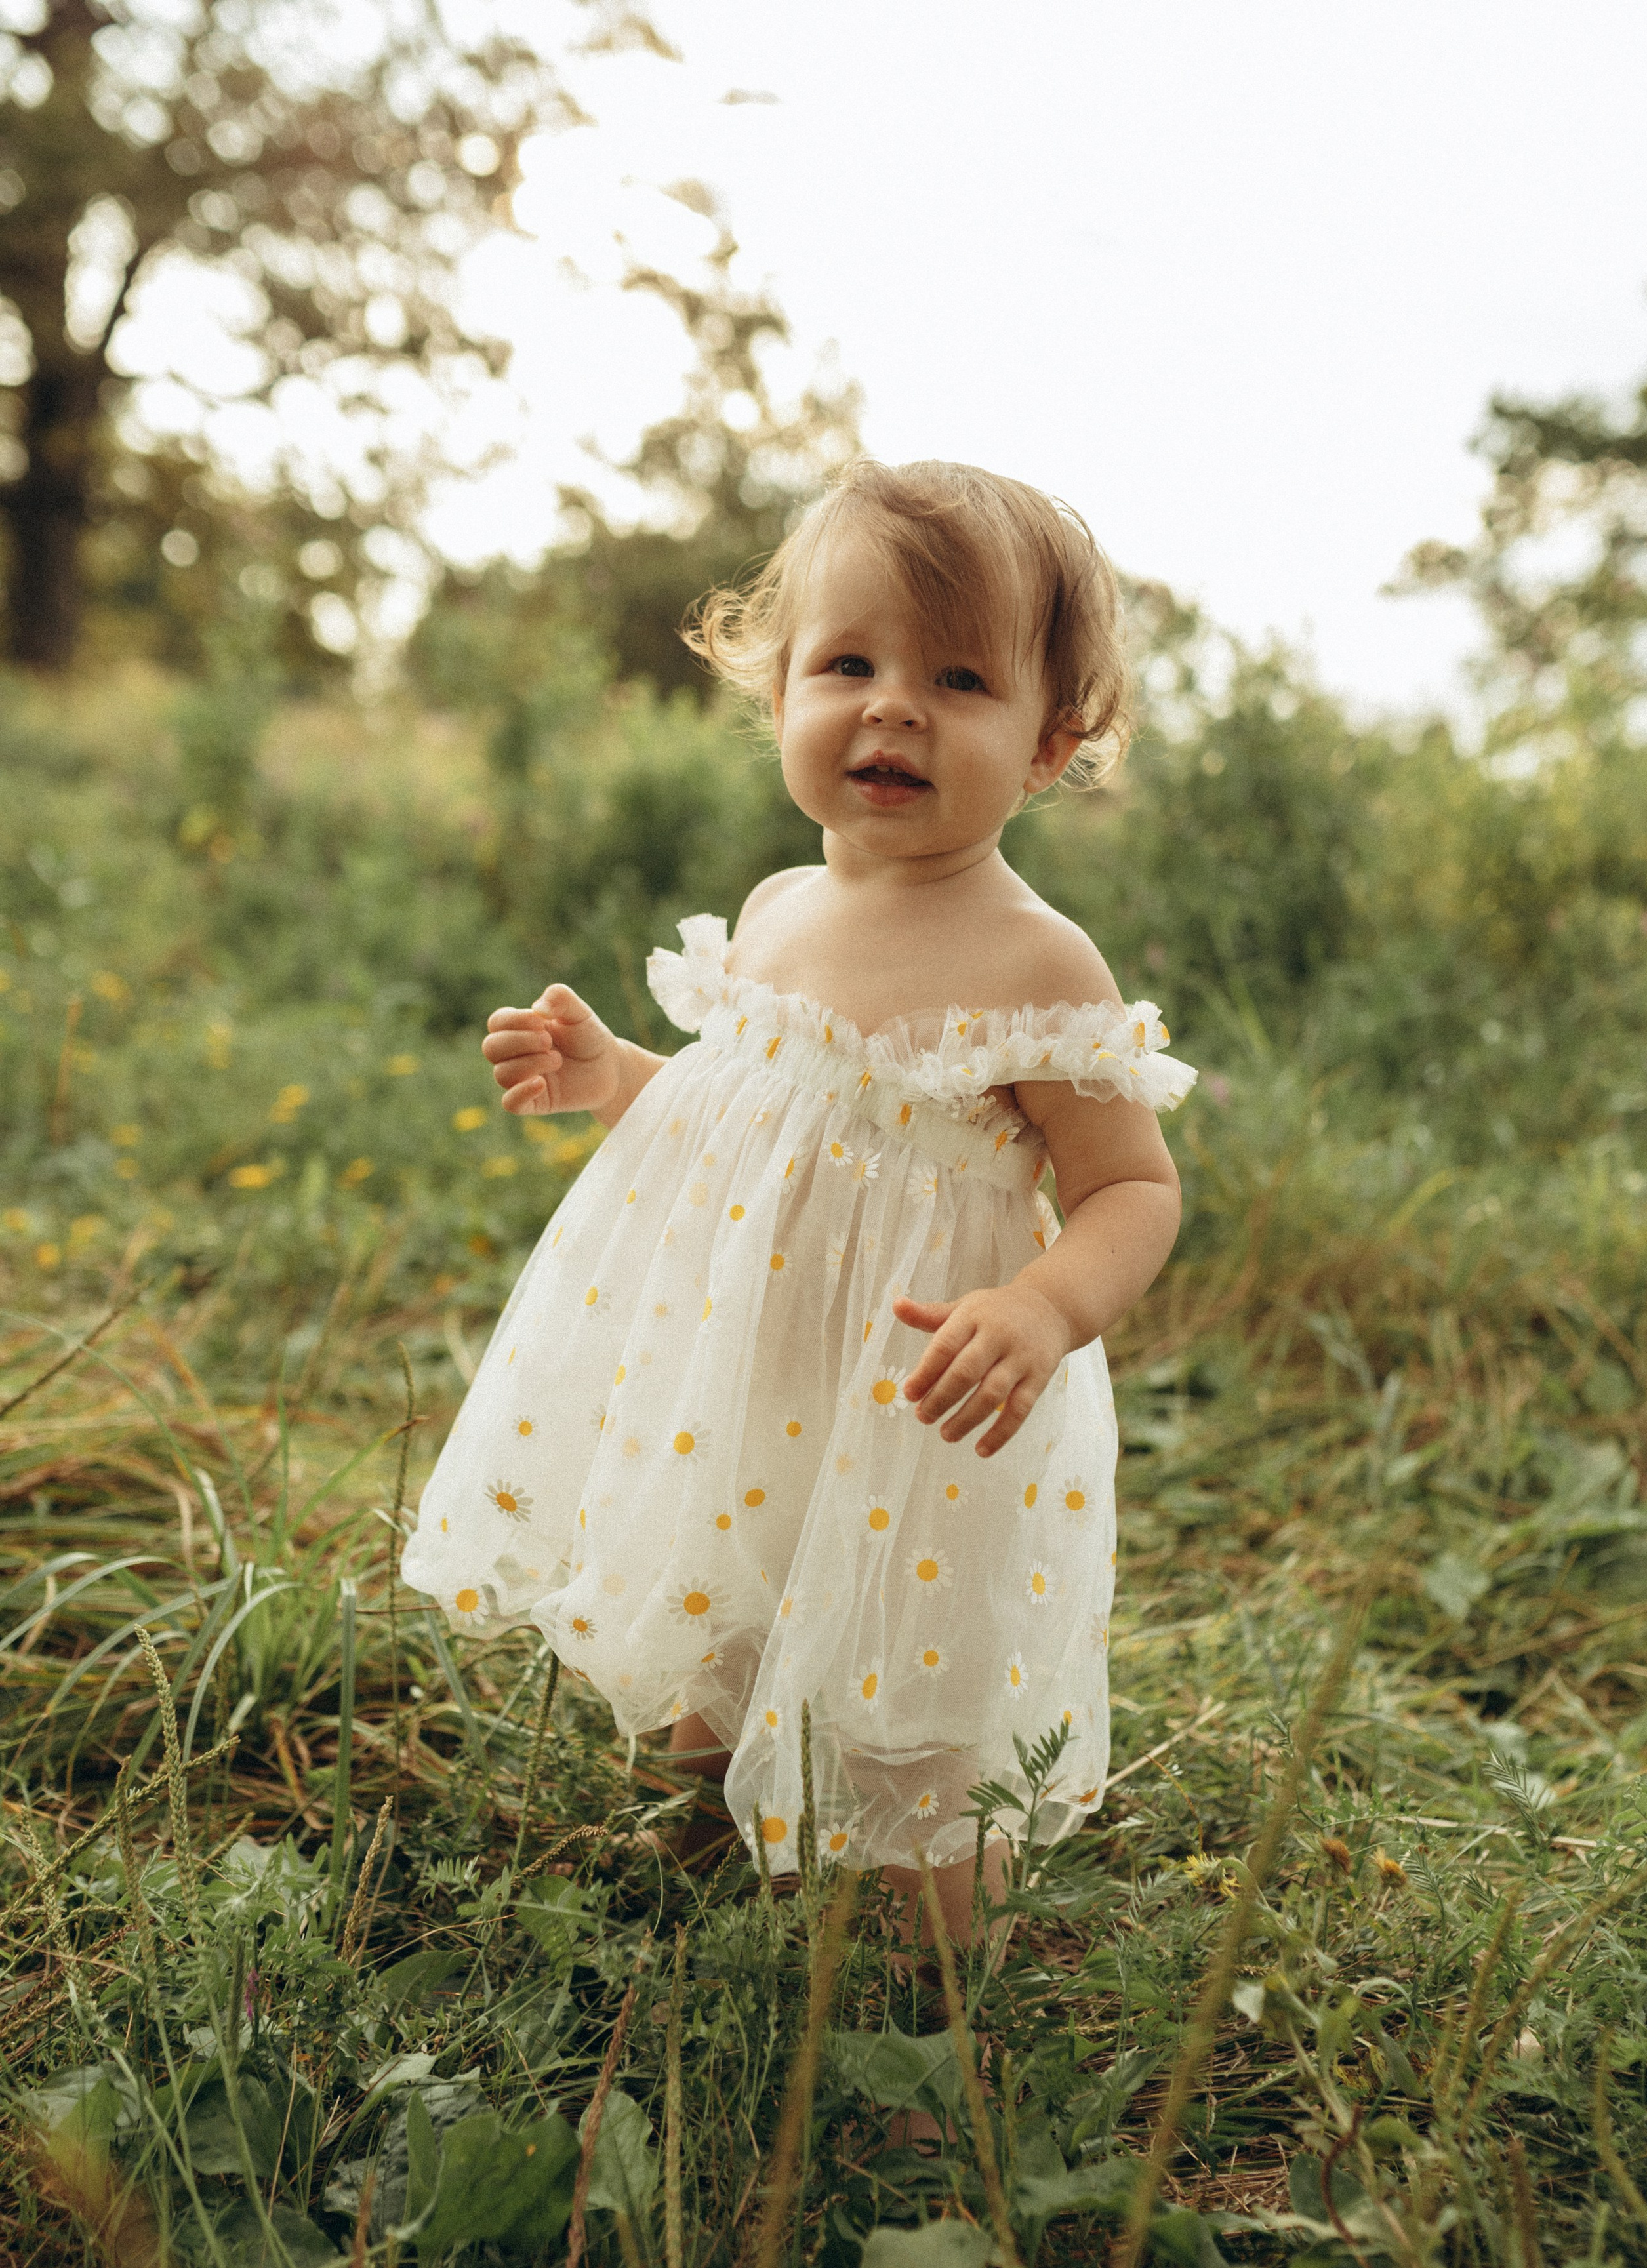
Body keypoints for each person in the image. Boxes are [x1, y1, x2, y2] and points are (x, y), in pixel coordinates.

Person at [401, 458, 1196, 1948]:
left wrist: (1040, 1304)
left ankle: (930, 1968)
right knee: (727, 1578)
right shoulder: (776, 911)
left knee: (912, 1676)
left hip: (917, 1398)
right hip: (744, 1372)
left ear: (1049, 743)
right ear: (776, 700)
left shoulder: (1038, 964)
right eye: (848, 665)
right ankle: (713, 1821)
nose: (892, 707)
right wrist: (616, 1077)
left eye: (959, 678)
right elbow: (743, 1120)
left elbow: (1131, 1189)